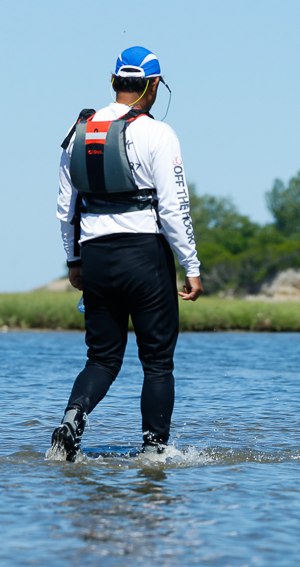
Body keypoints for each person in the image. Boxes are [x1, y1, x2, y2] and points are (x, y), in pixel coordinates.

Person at [50, 46, 203, 461]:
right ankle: (153, 455)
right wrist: (191, 266)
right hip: (144, 257)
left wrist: (74, 261)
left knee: (101, 359)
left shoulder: (78, 130)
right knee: (156, 364)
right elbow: (175, 208)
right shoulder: (159, 133)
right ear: (153, 86)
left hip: (96, 257)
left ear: (114, 82)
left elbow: (66, 207)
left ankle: (70, 420)